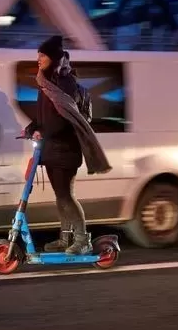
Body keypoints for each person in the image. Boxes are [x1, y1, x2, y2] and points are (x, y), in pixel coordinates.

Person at [23, 35, 112, 255]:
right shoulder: (44, 81)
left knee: (66, 196)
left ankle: (82, 240)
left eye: (42, 56)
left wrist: (42, 131)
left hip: (66, 149)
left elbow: (66, 119)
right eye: (38, 55)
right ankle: (65, 238)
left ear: (53, 58)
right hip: (51, 148)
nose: (39, 59)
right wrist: (31, 127)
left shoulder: (66, 83)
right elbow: (43, 116)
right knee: (60, 196)